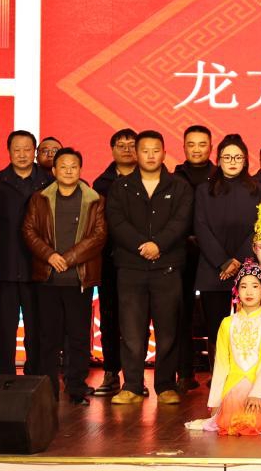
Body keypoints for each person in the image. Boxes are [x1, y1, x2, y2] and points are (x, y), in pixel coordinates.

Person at [106, 130, 194, 405]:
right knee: (131, 332)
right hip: (130, 267)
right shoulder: (120, 187)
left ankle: (166, 385)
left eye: (156, 150)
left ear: (164, 153)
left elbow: (182, 221)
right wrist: (141, 246)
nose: (151, 155)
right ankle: (132, 385)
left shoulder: (179, 186)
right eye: (145, 150)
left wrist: (159, 245)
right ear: (136, 154)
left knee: (168, 331)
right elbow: (116, 221)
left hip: (167, 267)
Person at [21, 147, 105, 404]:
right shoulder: (39, 199)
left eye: (73, 166)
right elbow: (28, 231)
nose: (68, 171)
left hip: (79, 279)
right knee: (48, 337)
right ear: (54, 170)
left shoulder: (94, 200)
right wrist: (50, 256)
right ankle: (48, 390)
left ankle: (76, 387)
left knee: (78, 337)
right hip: (48, 278)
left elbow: (99, 236)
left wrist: (67, 259)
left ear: (80, 170)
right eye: (63, 166)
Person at [188, 260, 261, 436]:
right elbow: (221, 364)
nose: (249, 291)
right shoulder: (227, 323)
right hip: (233, 383)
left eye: (255, 286)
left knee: (255, 419)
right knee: (232, 418)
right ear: (237, 291)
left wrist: (257, 393)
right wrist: (215, 401)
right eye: (243, 286)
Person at [0, 129, 52, 375]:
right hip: (5, 266)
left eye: (27, 149)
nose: (22, 154)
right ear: (8, 151)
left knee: (38, 329)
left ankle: (36, 378)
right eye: (17, 149)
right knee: (5, 329)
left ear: (35, 151)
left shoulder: (49, 181)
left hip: (38, 267)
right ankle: (3, 378)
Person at [194, 134, 260, 370]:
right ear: (219, 160)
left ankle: (245, 374)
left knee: (249, 326)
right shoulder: (204, 190)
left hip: (248, 269)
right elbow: (200, 226)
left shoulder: (258, 190)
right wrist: (223, 261)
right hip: (213, 269)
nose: (232, 162)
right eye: (227, 157)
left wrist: (239, 260)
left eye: (238, 157)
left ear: (245, 160)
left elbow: (260, 227)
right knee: (217, 327)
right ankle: (219, 375)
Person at [91, 128, 136, 396]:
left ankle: (134, 377)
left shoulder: (152, 179)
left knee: (138, 320)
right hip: (110, 260)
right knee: (110, 317)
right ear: (112, 150)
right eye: (121, 145)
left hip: (142, 259)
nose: (127, 149)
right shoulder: (102, 184)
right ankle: (111, 372)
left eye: (132, 144)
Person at [174, 124, 215, 394]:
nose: (197, 149)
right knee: (181, 314)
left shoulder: (220, 176)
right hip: (181, 253)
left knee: (216, 317)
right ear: (184, 147)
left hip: (213, 254)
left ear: (211, 147)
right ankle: (184, 373)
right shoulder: (174, 178)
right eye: (191, 144)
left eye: (202, 144)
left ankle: (218, 373)